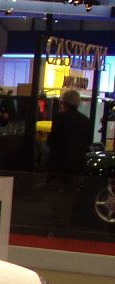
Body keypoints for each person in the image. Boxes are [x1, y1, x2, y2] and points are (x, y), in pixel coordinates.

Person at [48, 89, 93, 229]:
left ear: (65, 102)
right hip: (76, 163)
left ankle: (57, 219)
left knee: (56, 191)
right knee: (70, 193)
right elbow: (88, 142)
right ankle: (68, 220)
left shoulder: (59, 119)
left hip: (59, 163)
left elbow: (52, 141)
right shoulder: (85, 120)